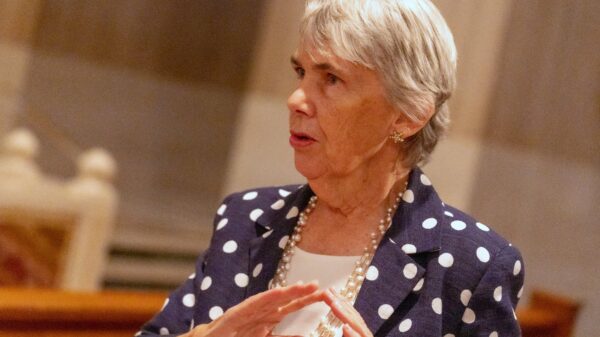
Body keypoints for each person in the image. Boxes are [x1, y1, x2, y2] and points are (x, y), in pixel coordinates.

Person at [137, 0, 524, 336]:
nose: (296, 99)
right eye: (300, 73)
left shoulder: (472, 265)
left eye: (331, 79)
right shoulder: (245, 218)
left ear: (409, 114)